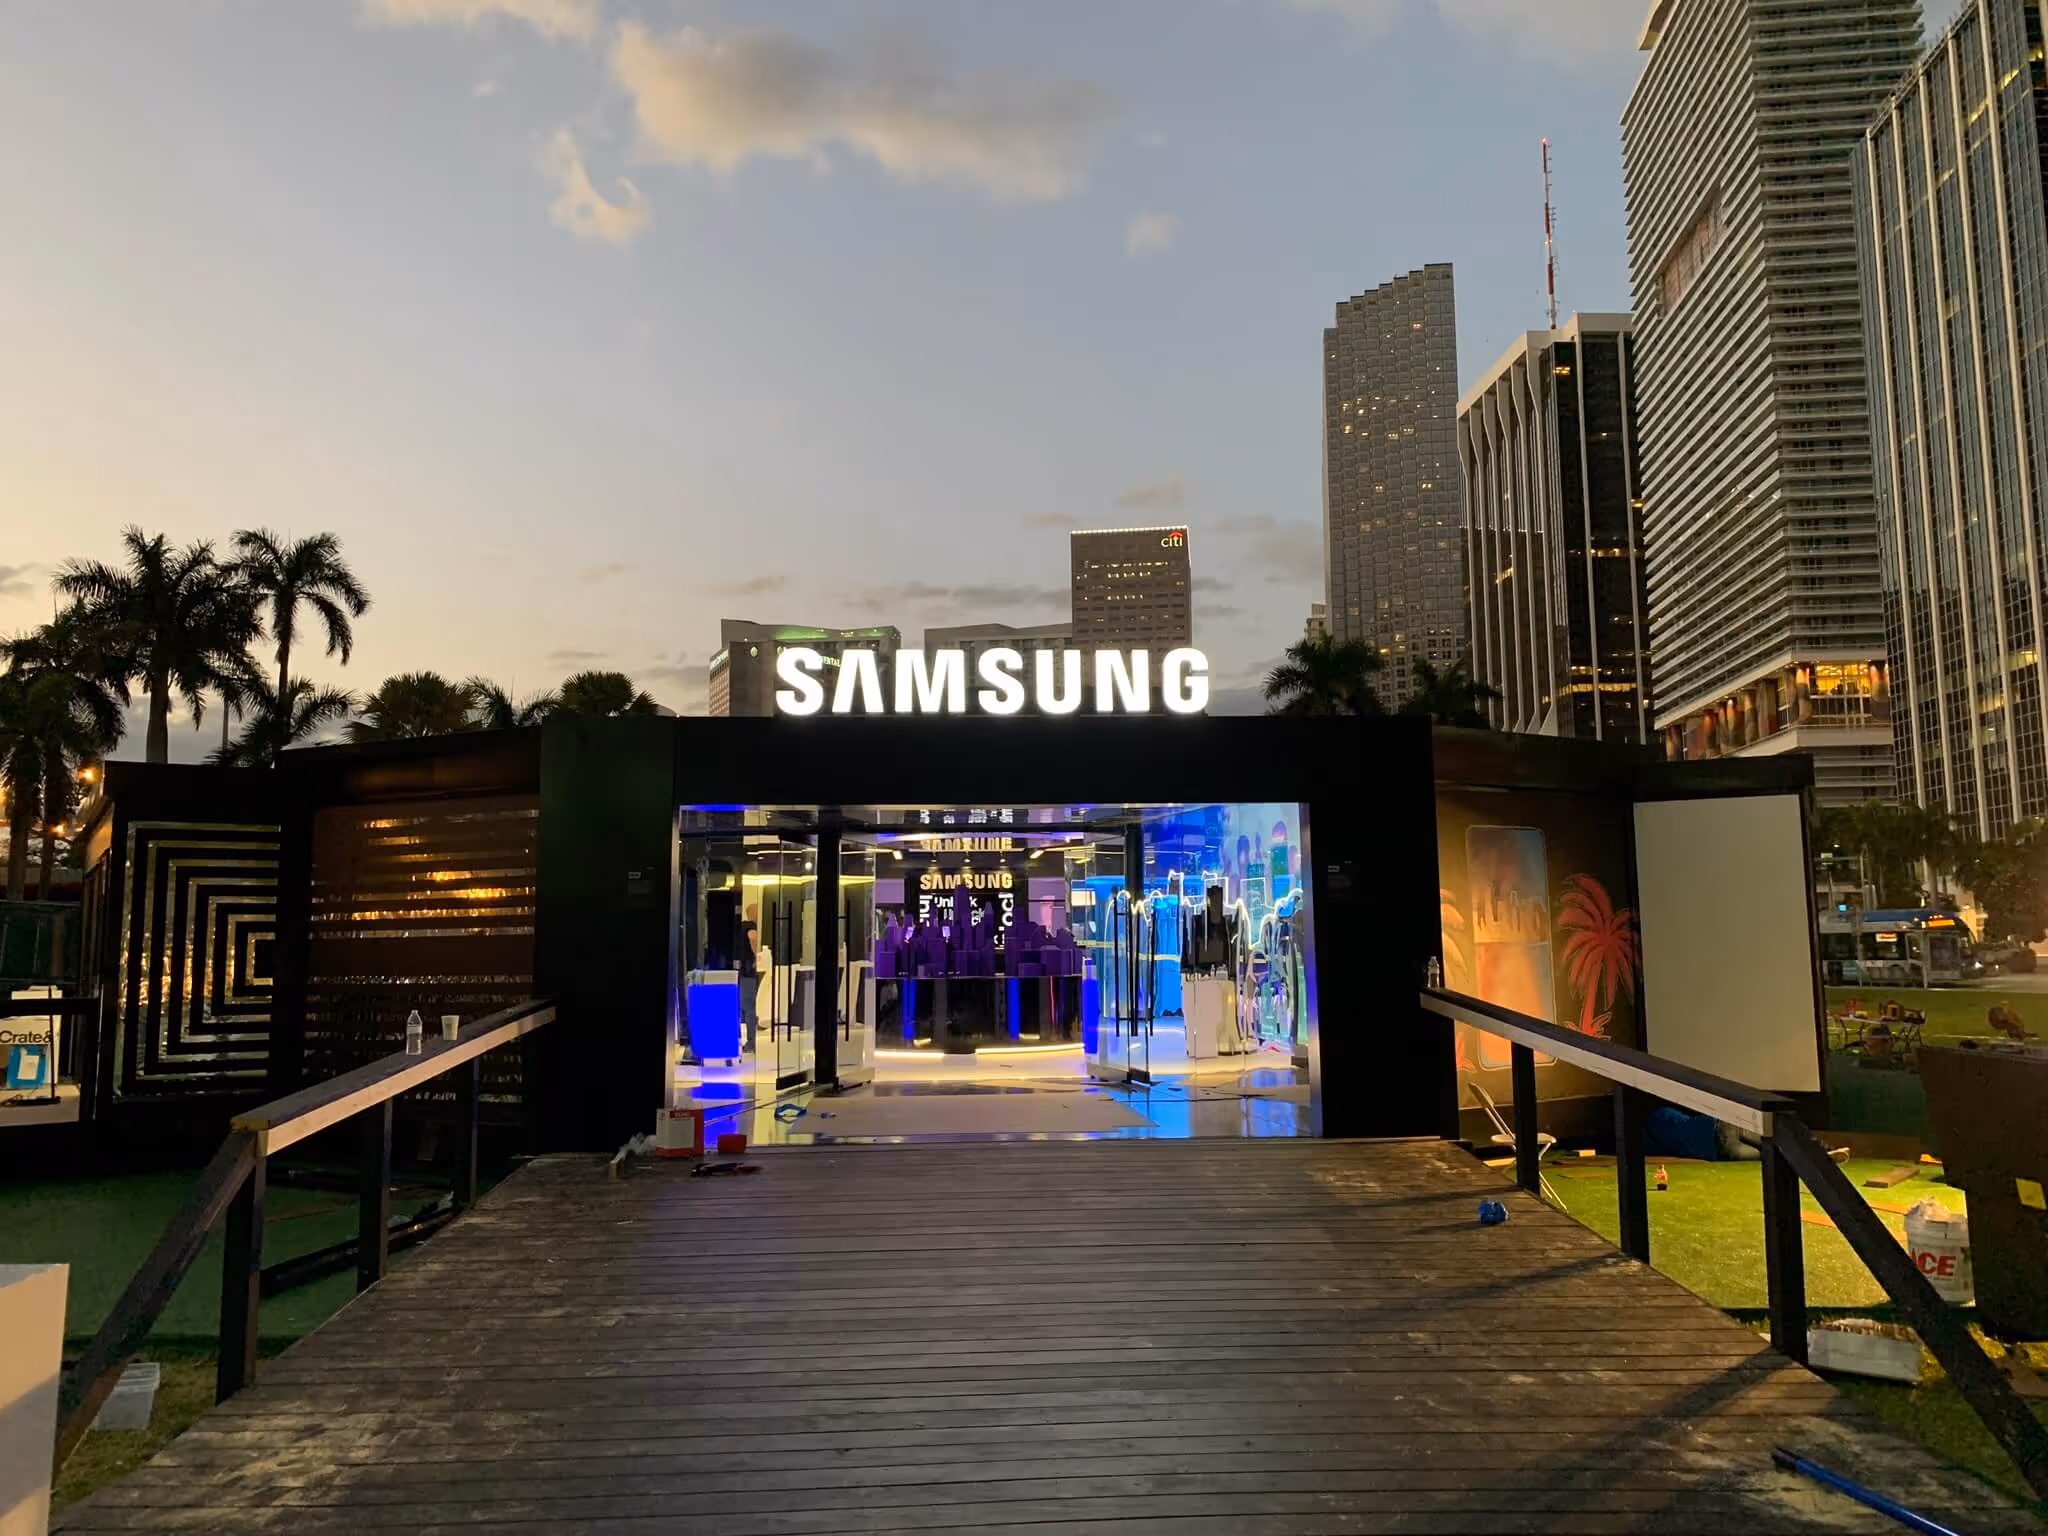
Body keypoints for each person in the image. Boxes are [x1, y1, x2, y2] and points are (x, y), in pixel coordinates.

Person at [737, 917, 760, 1054]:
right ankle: (751, 1041)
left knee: (747, 1007)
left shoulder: (745, 925)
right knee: (748, 1006)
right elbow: (753, 937)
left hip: (745, 972)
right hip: (747, 972)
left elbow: (752, 937)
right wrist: (756, 956)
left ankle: (751, 1042)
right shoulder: (750, 925)